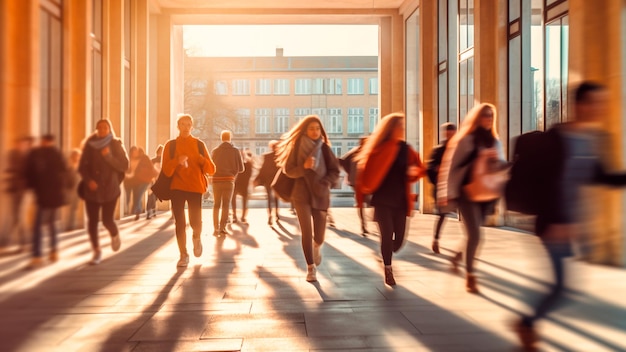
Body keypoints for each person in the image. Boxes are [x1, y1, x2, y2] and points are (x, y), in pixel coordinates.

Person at [514, 82, 626, 349]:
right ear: (580, 105)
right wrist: (555, 221)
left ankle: (528, 323)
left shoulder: (597, 139)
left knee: (563, 286)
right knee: (562, 286)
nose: (600, 108)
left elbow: (602, 176)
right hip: (553, 223)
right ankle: (527, 323)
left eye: (602, 103)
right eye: (595, 103)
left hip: (572, 222)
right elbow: (545, 183)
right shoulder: (556, 138)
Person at [437, 103, 505, 293]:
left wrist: (499, 162)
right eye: (485, 115)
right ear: (477, 117)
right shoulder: (466, 140)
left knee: (472, 234)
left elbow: (500, 167)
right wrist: (445, 193)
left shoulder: (494, 141)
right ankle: (470, 276)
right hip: (466, 193)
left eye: (491, 116)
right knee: (475, 234)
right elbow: (450, 167)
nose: (488, 119)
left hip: (486, 193)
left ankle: (458, 255)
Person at [355, 112, 425, 286]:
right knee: (386, 236)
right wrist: (361, 196)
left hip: (401, 201)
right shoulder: (379, 148)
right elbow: (366, 172)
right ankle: (388, 269)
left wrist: (414, 173)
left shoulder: (406, 149)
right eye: (399, 126)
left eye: (403, 126)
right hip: (382, 200)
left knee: (399, 240)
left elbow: (419, 167)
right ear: (391, 129)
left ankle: (386, 254)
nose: (402, 129)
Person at [275, 115, 340, 282]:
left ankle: (317, 246)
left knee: (319, 235)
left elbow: (335, 171)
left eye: (318, 129)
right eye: (311, 128)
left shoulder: (324, 149)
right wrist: (304, 168)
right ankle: (310, 268)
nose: (315, 131)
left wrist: (325, 182)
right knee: (306, 230)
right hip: (301, 194)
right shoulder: (296, 147)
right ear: (305, 130)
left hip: (320, 193)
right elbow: (288, 170)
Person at [162, 114, 215, 267]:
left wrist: (201, 160)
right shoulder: (170, 145)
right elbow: (166, 170)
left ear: (192, 127)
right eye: (182, 124)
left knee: (195, 221)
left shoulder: (199, 144)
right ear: (178, 126)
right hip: (176, 188)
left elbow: (211, 169)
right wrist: (176, 161)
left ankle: (196, 237)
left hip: (195, 188)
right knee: (180, 222)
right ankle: (183, 254)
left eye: (188, 124)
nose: (185, 127)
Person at [78, 119, 130, 265]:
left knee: (107, 220)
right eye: (99, 127)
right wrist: (88, 181)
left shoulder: (115, 144)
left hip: (110, 189)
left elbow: (124, 165)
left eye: (105, 127)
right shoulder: (90, 145)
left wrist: (108, 156)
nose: (102, 130)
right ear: (96, 129)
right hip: (92, 190)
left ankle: (114, 234)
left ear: (109, 129)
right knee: (92, 222)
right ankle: (96, 251)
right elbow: (82, 167)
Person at [24, 134, 70, 268]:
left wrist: (32, 188)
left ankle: (38, 255)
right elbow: (64, 173)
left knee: (39, 226)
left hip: (43, 196)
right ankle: (52, 251)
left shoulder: (38, 154)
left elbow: (29, 173)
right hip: (52, 196)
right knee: (51, 224)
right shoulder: (56, 154)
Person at [426, 122, 457, 253]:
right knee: (442, 214)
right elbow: (429, 168)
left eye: (452, 133)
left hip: (456, 187)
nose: (450, 136)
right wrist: (436, 173)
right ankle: (436, 239)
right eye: (448, 133)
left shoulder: (459, 149)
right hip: (442, 188)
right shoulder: (438, 150)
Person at [3, 136, 34, 251]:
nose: (22, 146)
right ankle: (9, 241)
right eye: (20, 144)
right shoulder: (12, 155)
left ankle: (24, 242)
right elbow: (9, 170)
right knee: (16, 216)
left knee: (20, 216)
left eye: (24, 144)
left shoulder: (29, 157)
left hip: (25, 191)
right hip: (14, 189)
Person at [211, 130, 244, 237]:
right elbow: (241, 168)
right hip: (229, 180)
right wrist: (233, 172)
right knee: (226, 204)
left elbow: (211, 167)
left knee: (216, 204)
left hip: (216, 180)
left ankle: (215, 228)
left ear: (221, 138)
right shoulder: (235, 151)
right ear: (230, 138)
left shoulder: (215, 151)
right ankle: (222, 228)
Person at [339, 137, 369, 236]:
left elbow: (342, 161)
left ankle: (364, 224)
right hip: (359, 182)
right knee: (362, 202)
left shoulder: (356, 151)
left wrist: (349, 172)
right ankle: (364, 225)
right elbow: (342, 161)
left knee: (362, 203)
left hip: (360, 181)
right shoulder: (357, 151)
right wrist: (350, 172)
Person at [254, 140, 281, 225]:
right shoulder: (280, 156)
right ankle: (276, 214)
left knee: (269, 198)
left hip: (268, 181)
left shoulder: (267, 156)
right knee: (276, 198)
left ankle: (270, 216)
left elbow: (263, 169)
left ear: (270, 147)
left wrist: (257, 179)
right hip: (277, 180)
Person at [129, 147, 157, 220]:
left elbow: (151, 168)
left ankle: (138, 212)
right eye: (133, 152)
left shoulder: (144, 158)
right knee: (136, 196)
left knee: (139, 195)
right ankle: (139, 211)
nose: (134, 153)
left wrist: (152, 178)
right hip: (135, 181)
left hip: (146, 180)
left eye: (135, 151)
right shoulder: (131, 159)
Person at [231, 150, 253, 224]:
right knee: (244, 201)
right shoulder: (248, 164)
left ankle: (235, 216)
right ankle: (242, 217)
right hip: (243, 185)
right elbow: (250, 175)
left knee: (233, 200)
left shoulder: (236, 164)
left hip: (237, 184)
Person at [64, 148, 82, 231]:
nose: (77, 157)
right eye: (76, 156)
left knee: (74, 208)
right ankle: (69, 225)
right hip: (71, 189)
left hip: (77, 189)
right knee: (71, 208)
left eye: (78, 156)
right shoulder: (69, 166)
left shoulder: (80, 167)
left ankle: (72, 224)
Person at [146, 144, 163, 219]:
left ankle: (151, 211)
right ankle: (150, 212)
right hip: (154, 180)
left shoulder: (153, 160)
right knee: (152, 196)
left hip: (154, 180)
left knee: (153, 196)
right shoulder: (160, 161)